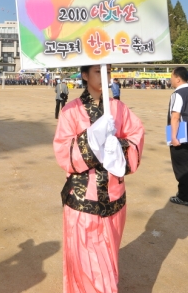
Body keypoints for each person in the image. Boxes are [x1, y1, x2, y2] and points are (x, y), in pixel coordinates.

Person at [53, 64, 144, 292]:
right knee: (91, 272)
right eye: (98, 71)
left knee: (108, 261)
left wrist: (117, 146)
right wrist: (92, 141)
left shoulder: (119, 108)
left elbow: (136, 135)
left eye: (109, 71)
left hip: (114, 199)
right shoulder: (70, 111)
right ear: (84, 75)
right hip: (83, 202)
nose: (106, 76)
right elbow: (63, 151)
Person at [167, 66, 188, 207]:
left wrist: (173, 137)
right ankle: (184, 194)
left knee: (181, 168)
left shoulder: (178, 94)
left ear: (178, 78)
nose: (170, 79)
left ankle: (186, 197)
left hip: (180, 134)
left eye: (171, 76)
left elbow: (175, 116)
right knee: (185, 165)